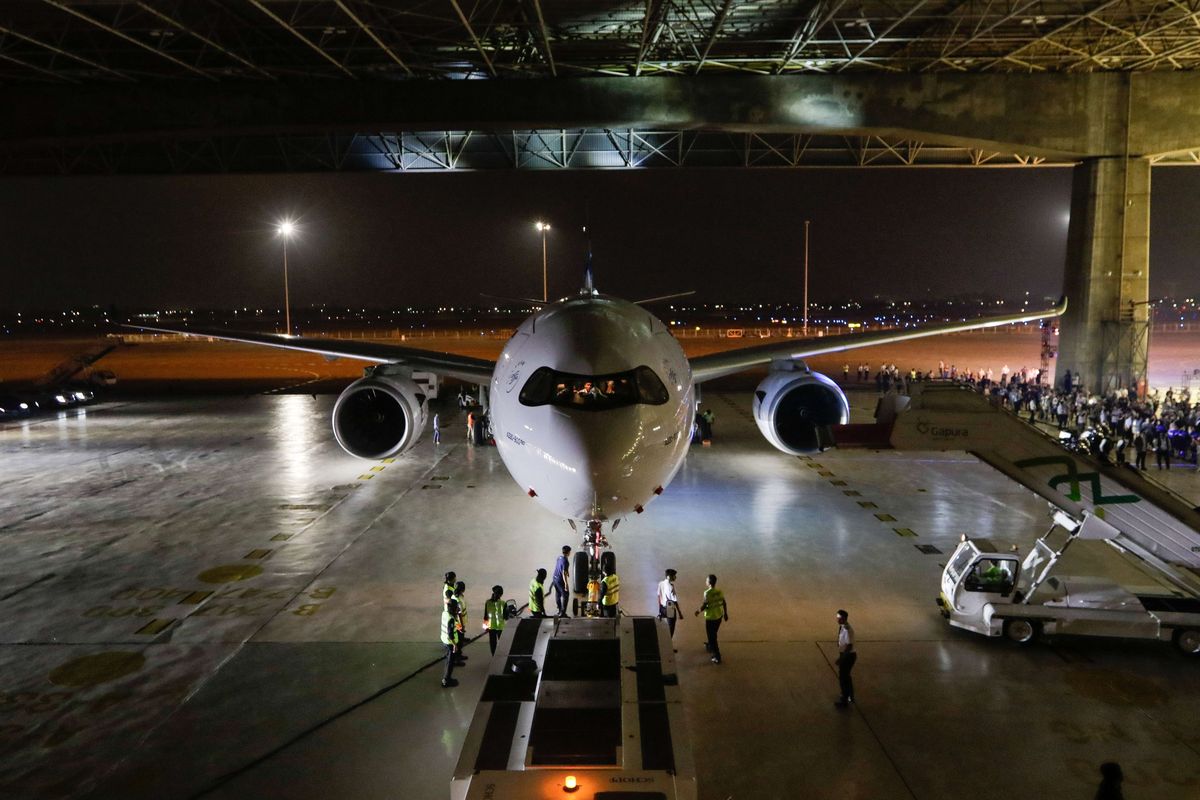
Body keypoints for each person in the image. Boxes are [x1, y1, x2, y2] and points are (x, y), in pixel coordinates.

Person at [695, 574, 727, 664]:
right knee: (713, 633)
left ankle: (717, 656)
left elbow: (705, 605)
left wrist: (698, 611)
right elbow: (724, 602)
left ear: (709, 583)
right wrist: (726, 614)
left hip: (710, 618)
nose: (705, 581)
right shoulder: (719, 591)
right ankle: (709, 645)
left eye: (706, 580)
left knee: (712, 637)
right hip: (719, 616)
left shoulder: (707, 593)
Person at [834, 609, 856, 707]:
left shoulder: (847, 630)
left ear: (844, 618)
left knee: (843, 678)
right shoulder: (842, 627)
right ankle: (850, 696)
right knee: (846, 676)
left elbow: (849, 646)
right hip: (846, 655)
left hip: (848, 656)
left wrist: (841, 659)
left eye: (839, 618)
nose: (837, 619)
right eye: (837, 617)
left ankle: (844, 699)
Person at [440, 598, 461, 688]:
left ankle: (447, 678)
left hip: (444, 640)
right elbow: (450, 633)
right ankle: (446, 680)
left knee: (449, 660)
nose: (457, 609)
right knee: (450, 662)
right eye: (456, 607)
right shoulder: (451, 619)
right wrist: (454, 645)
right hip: (450, 643)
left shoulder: (445, 613)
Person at [657, 568, 681, 638]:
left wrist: (660, 610)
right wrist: (679, 612)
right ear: (669, 576)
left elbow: (659, 596)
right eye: (674, 575)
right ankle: (668, 646)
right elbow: (674, 601)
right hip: (670, 609)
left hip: (663, 608)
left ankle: (666, 645)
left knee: (666, 628)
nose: (675, 577)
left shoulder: (660, 584)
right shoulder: (671, 586)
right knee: (671, 629)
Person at [483, 585, 506, 655]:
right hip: (497, 627)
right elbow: (486, 615)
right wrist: (485, 626)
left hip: (495, 627)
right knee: (496, 644)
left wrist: (485, 626)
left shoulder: (488, 602)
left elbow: (485, 616)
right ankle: (497, 656)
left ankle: (496, 656)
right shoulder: (503, 603)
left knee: (495, 644)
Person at [551, 545, 571, 617]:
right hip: (560, 579)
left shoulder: (559, 558)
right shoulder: (565, 561)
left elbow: (560, 566)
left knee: (558, 594)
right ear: (568, 552)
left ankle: (559, 610)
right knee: (566, 595)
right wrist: (566, 584)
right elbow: (563, 572)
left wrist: (567, 571)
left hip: (554, 578)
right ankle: (563, 613)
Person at [453, 581, 469, 665]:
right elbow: (459, 614)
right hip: (459, 623)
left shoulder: (459, 596)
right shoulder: (457, 599)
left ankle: (459, 654)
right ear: (462, 589)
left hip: (461, 621)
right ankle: (457, 658)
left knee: (460, 639)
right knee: (459, 641)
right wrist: (462, 626)